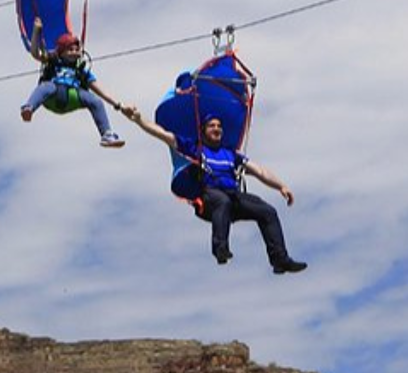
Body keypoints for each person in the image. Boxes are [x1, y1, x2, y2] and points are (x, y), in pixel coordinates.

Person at [123, 107, 308, 274]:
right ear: (203, 130)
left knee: (267, 211)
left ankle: (280, 261)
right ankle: (220, 249)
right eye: (212, 126)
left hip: (233, 198)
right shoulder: (195, 148)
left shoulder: (230, 154)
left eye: (219, 126)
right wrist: (138, 120)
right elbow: (164, 135)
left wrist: (281, 186)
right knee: (222, 201)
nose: (217, 129)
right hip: (209, 199)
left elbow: (258, 170)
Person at [21, 23, 126, 148]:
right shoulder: (53, 62)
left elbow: (101, 90)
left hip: (73, 95)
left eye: (76, 50)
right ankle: (29, 107)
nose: (74, 53)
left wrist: (118, 105)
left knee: (96, 101)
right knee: (45, 87)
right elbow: (35, 53)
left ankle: (107, 134)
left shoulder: (80, 70)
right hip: (54, 94)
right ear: (61, 52)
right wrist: (36, 32)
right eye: (70, 50)